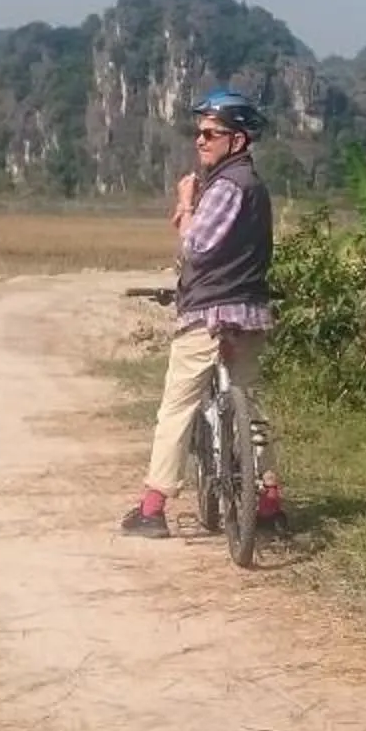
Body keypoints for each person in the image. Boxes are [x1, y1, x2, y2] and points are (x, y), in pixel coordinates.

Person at [121, 89, 285, 538]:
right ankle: (268, 499)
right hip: (249, 311)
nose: (201, 140)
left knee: (177, 406)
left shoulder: (228, 185)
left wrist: (188, 203)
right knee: (249, 404)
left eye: (212, 133)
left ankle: (153, 508)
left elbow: (197, 245)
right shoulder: (255, 188)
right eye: (199, 133)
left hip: (209, 312)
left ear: (238, 140)